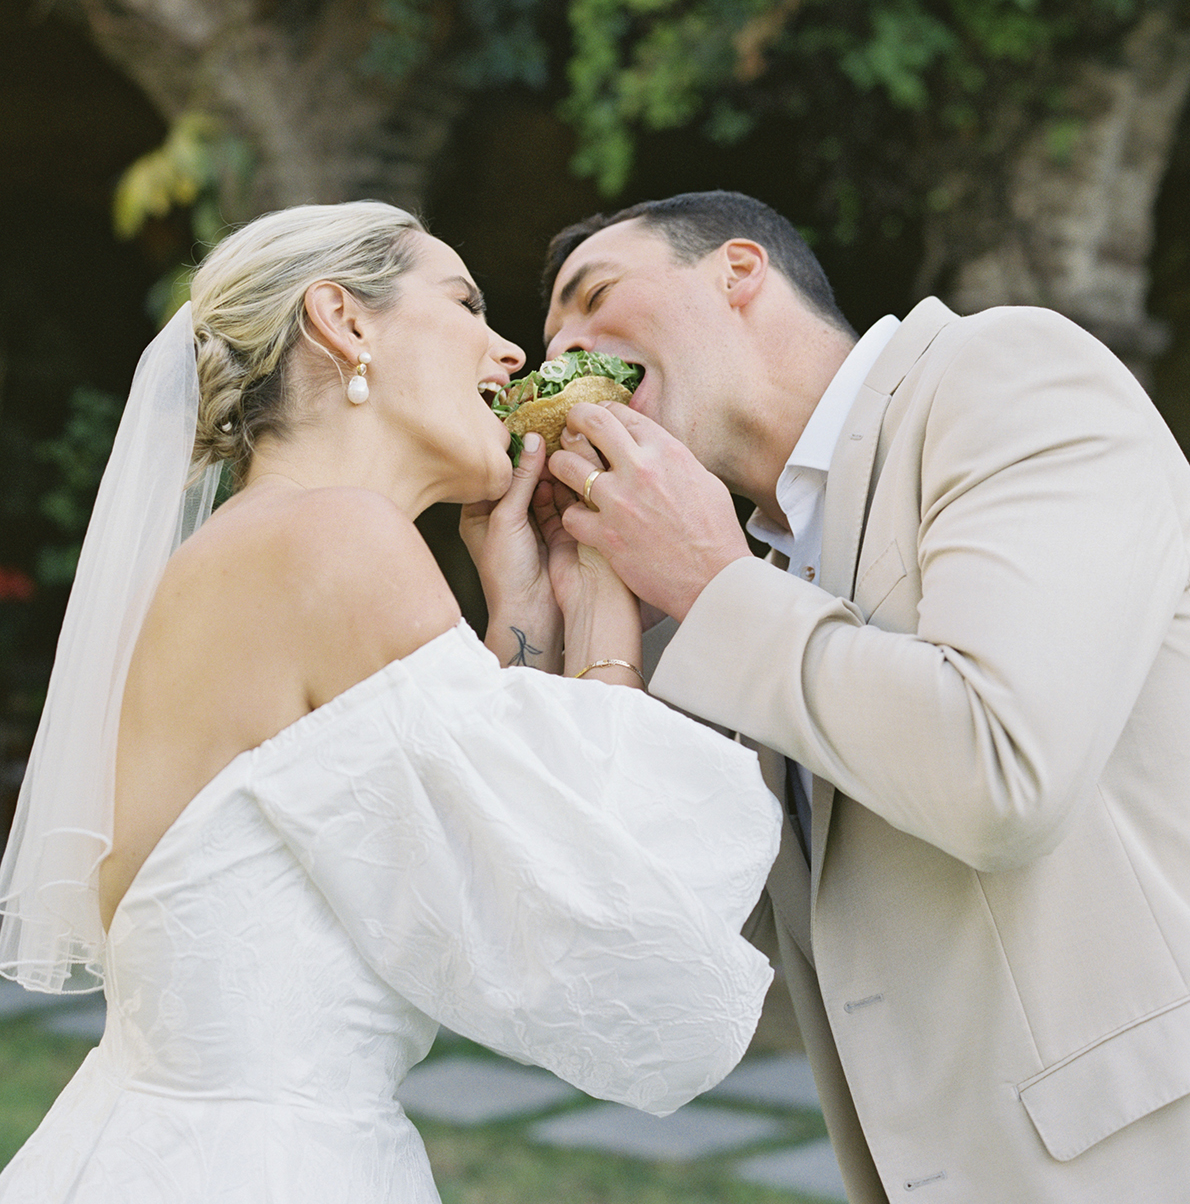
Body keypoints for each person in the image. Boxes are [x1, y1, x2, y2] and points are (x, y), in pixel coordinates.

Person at [0, 200, 780, 1204]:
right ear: (343, 321)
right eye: (465, 302)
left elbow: (462, 850)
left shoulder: (266, 547)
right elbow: (600, 915)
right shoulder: (333, 542)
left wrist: (521, 609)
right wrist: (605, 611)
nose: (509, 352)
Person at [539, 188, 1190, 1204]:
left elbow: (1000, 772)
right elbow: (650, 916)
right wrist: (546, 606)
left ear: (736, 270)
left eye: (593, 298)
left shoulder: (1005, 373)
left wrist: (711, 585)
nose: (559, 357)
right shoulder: (754, 568)